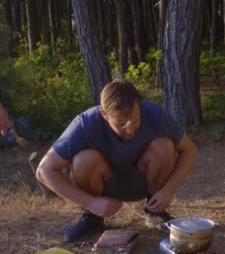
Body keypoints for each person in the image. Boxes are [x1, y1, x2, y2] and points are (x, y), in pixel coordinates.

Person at [36, 80, 198, 243]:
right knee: (83, 159)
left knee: (164, 146)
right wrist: (90, 202)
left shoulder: (155, 114)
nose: (130, 129)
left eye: (135, 121)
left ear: (140, 106)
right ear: (104, 115)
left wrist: (169, 189)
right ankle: (93, 217)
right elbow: (44, 171)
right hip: (104, 187)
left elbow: (189, 150)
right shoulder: (85, 123)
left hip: (144, 181)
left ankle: (155, 211)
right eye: (121, 124)